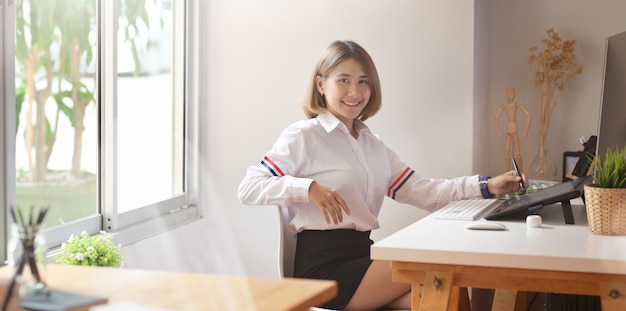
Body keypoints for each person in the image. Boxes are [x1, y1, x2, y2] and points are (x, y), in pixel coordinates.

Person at [238, 40, 527, 311]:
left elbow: (425, 190)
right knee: (437, 264)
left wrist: (487, 186)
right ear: (321, 85)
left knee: (447, 297)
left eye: (363, 82)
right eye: (344, 80)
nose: (355, 92)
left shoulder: (372, 145)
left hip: (364, 259)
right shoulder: (304, 136)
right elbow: (249, 187)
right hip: (323, 271)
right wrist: (308, 188)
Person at [493, 87, 531, 172]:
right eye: (508, 93)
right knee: (506, 153)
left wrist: (526, 130)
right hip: (509, 128)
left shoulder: (517, 104)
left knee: (517, 153)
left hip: (514, 127)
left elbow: (528, 115)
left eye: (512, 93)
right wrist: (497, 131)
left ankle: (521, 171)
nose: (510, 95)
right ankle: (508, 172)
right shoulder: (504, 106)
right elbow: (496, 118)